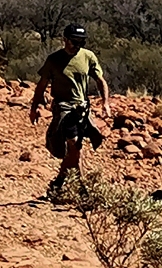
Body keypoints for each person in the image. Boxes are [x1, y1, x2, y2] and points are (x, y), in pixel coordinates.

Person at [29, 23, 113, 197]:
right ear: (64, 40)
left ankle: (59, 183)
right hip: (63, 108)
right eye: (74, 42)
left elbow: (100, 80)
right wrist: (35, 106)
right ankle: (83, 189)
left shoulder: (88, 56)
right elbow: (42, 85)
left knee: (77, 148)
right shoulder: (53, 60)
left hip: (82, 108)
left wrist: (105, 102)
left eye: (81, 42)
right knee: (74, 142)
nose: (77, 46)